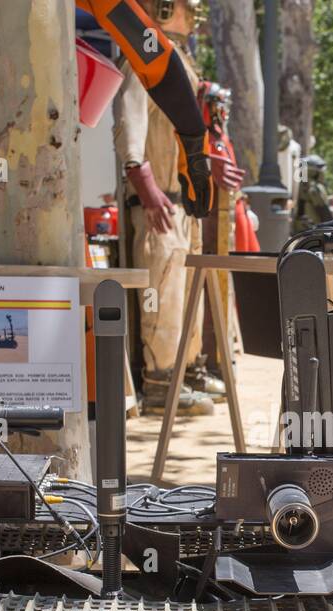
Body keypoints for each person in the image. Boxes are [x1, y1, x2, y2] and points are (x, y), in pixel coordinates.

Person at [114, 0, 239, 416]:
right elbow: (130, 119)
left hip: (180, 197)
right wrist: (146, 186)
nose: (196, 10)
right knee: (162, 290)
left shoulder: (175, 56)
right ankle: (160, 382)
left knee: (185, 293)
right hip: (161, 200)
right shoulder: (146, 52)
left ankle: (185, 372)